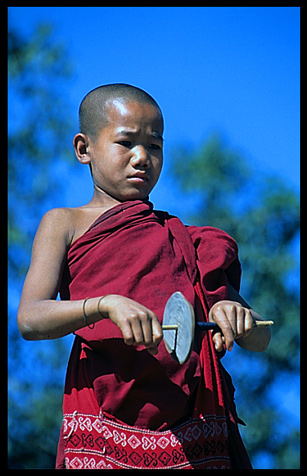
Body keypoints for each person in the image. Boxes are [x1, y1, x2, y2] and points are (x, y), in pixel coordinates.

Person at [17, 83, 271, 469]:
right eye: (126, 143)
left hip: (194, 429)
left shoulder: (184, 240)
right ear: (84, 149)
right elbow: (30, 318)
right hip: (103, 423)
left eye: (154, 146)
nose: (142, 158)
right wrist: (103, 306)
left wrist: (235, 319)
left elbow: (261, 336)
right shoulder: (64, 223)